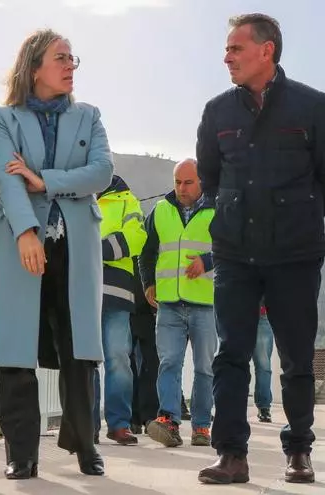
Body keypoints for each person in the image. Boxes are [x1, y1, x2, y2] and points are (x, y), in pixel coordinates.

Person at [195, 14, 325, 485]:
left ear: (267, 51)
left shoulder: (312, 105)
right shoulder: (217, 112)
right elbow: (210, 178)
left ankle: (299, 450)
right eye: (227, 49)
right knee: (230, 354)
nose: (226, 57)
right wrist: (232, 214)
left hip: (295, 253)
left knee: (297, 356)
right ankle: (231, 455)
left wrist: (299, 215)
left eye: (236, 49)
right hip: (235, 253)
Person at [0, 28, 113, 480]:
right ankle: (21, 453)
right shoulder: (2, 118)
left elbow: (102, 171)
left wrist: (45, 180)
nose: (70, 65)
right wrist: (26, 232)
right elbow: (6, 177)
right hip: (21, 240)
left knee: (79, 348)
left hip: (75, 242)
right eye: (61, 58)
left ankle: (85, 443)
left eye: (73, 58)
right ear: (34, 66)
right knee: (17, 347)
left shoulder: (89, 116)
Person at [139, 158, 217, 448]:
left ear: (201, 182)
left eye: (188, 182)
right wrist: (148, 283)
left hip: (205, 303)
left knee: (204, 368)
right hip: (169, 303)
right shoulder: (160, 210)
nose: (181, 188)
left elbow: (233, 247)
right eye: (177, 182)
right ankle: (169, 422)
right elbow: (146, 252)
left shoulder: (217, 210)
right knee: (169, 363)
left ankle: (201, 426)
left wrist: (207, 261)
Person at [91, 175, 147, 445]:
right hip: (82, 289)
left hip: (117, 292)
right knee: (85, 360)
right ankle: (86, 425)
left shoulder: (128, 200)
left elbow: (136, 237)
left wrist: (96, 248)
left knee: (118, 358)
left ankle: (119, 424)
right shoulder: (75, 196)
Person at [128, 254, 161, 435]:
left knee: (152, 362)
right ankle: (134, 417)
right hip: (130, 299)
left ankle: (148, 415)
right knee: (128, 361)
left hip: (151, 302)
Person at [253, 302, 274, 423]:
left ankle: (264, 406)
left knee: (264, 365)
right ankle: (234, 405)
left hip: (262, 314)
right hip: (237, 312)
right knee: (235, 363)